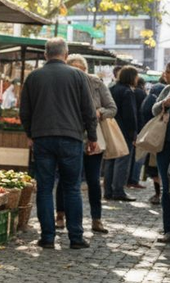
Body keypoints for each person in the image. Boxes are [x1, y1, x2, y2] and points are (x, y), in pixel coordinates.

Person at [20, 38, 98, 249]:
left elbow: (24, 111)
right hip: (71, 137)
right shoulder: (78, 76)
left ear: (46, 54)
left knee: (44, 188)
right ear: (66, 54)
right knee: (72, 188)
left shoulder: (33, 77)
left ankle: (47, 237)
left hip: (42, 138)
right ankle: (76, 237)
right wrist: (92, 137)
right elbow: (89, 111)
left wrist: (30, 133)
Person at [55, 54, 116, 232]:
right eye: (73, 69)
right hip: (70, 137)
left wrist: (99, 112)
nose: (77, 74)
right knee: (65, 178)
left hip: (93, 138)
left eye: (80, 70)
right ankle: (60, 214)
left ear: (85, 70)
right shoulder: (63, 84)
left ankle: (96, 219)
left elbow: (112, 108)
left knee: (93, 180)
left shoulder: (96, 84)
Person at [103, 66, 139, 202]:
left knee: (110, 160)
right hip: (124, 131)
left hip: (111, 129)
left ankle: (108, 191)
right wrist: (133, 133)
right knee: (122, 161)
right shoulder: (127, 92)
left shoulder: (112, 88)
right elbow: (130, 115)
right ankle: (118, 190)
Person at [149, 61, 170, 242]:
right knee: (167, 187)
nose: (164, 74)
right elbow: (153, 109)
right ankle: (168, 228)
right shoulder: (167, 89)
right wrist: (164, 104)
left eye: (168, 72)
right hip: (165, 143)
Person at [140, 79, 167, 204]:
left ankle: (158, 194)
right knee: (155, 167)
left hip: (155, 137)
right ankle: (160, 194)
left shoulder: (150, 99)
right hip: (159, 136)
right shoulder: (163, 94)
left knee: (153, 167)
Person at [127, 76, 149, 189]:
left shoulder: (131, 92)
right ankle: (134, 179)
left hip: (131, 129)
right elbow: (142, 112)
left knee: (130, 156)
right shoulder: (141, 93)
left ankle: (128, 179)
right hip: (140, 128)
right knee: (139, 156)